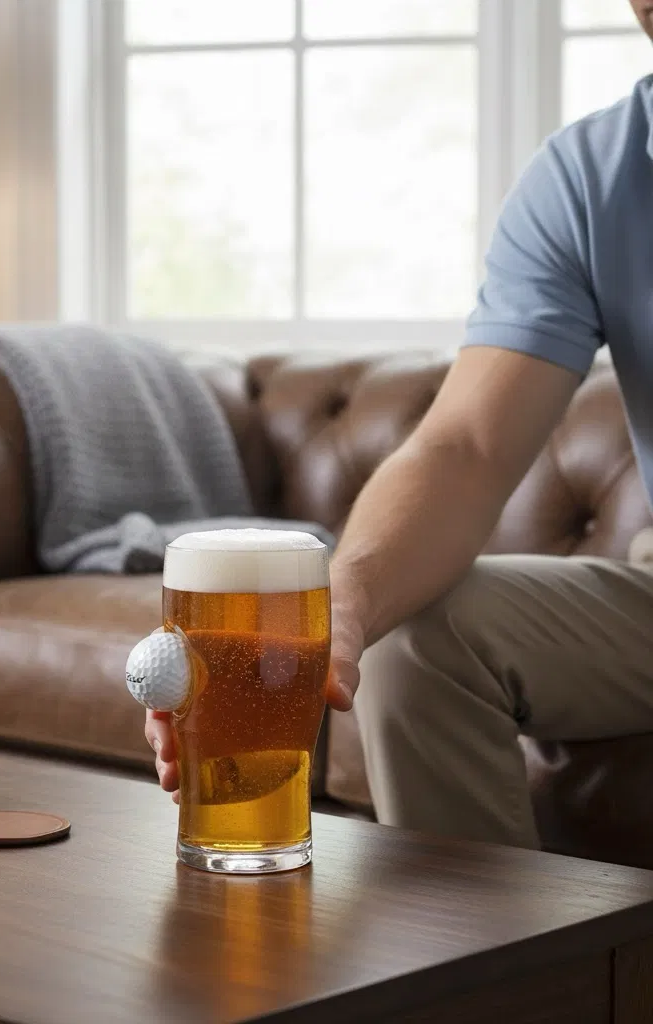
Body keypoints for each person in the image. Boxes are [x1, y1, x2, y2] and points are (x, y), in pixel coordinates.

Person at [145, 0, 653, 849]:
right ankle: (494, 979)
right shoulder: (593, 176)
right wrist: (333, 619)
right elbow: (465, 449)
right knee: (414, 640)